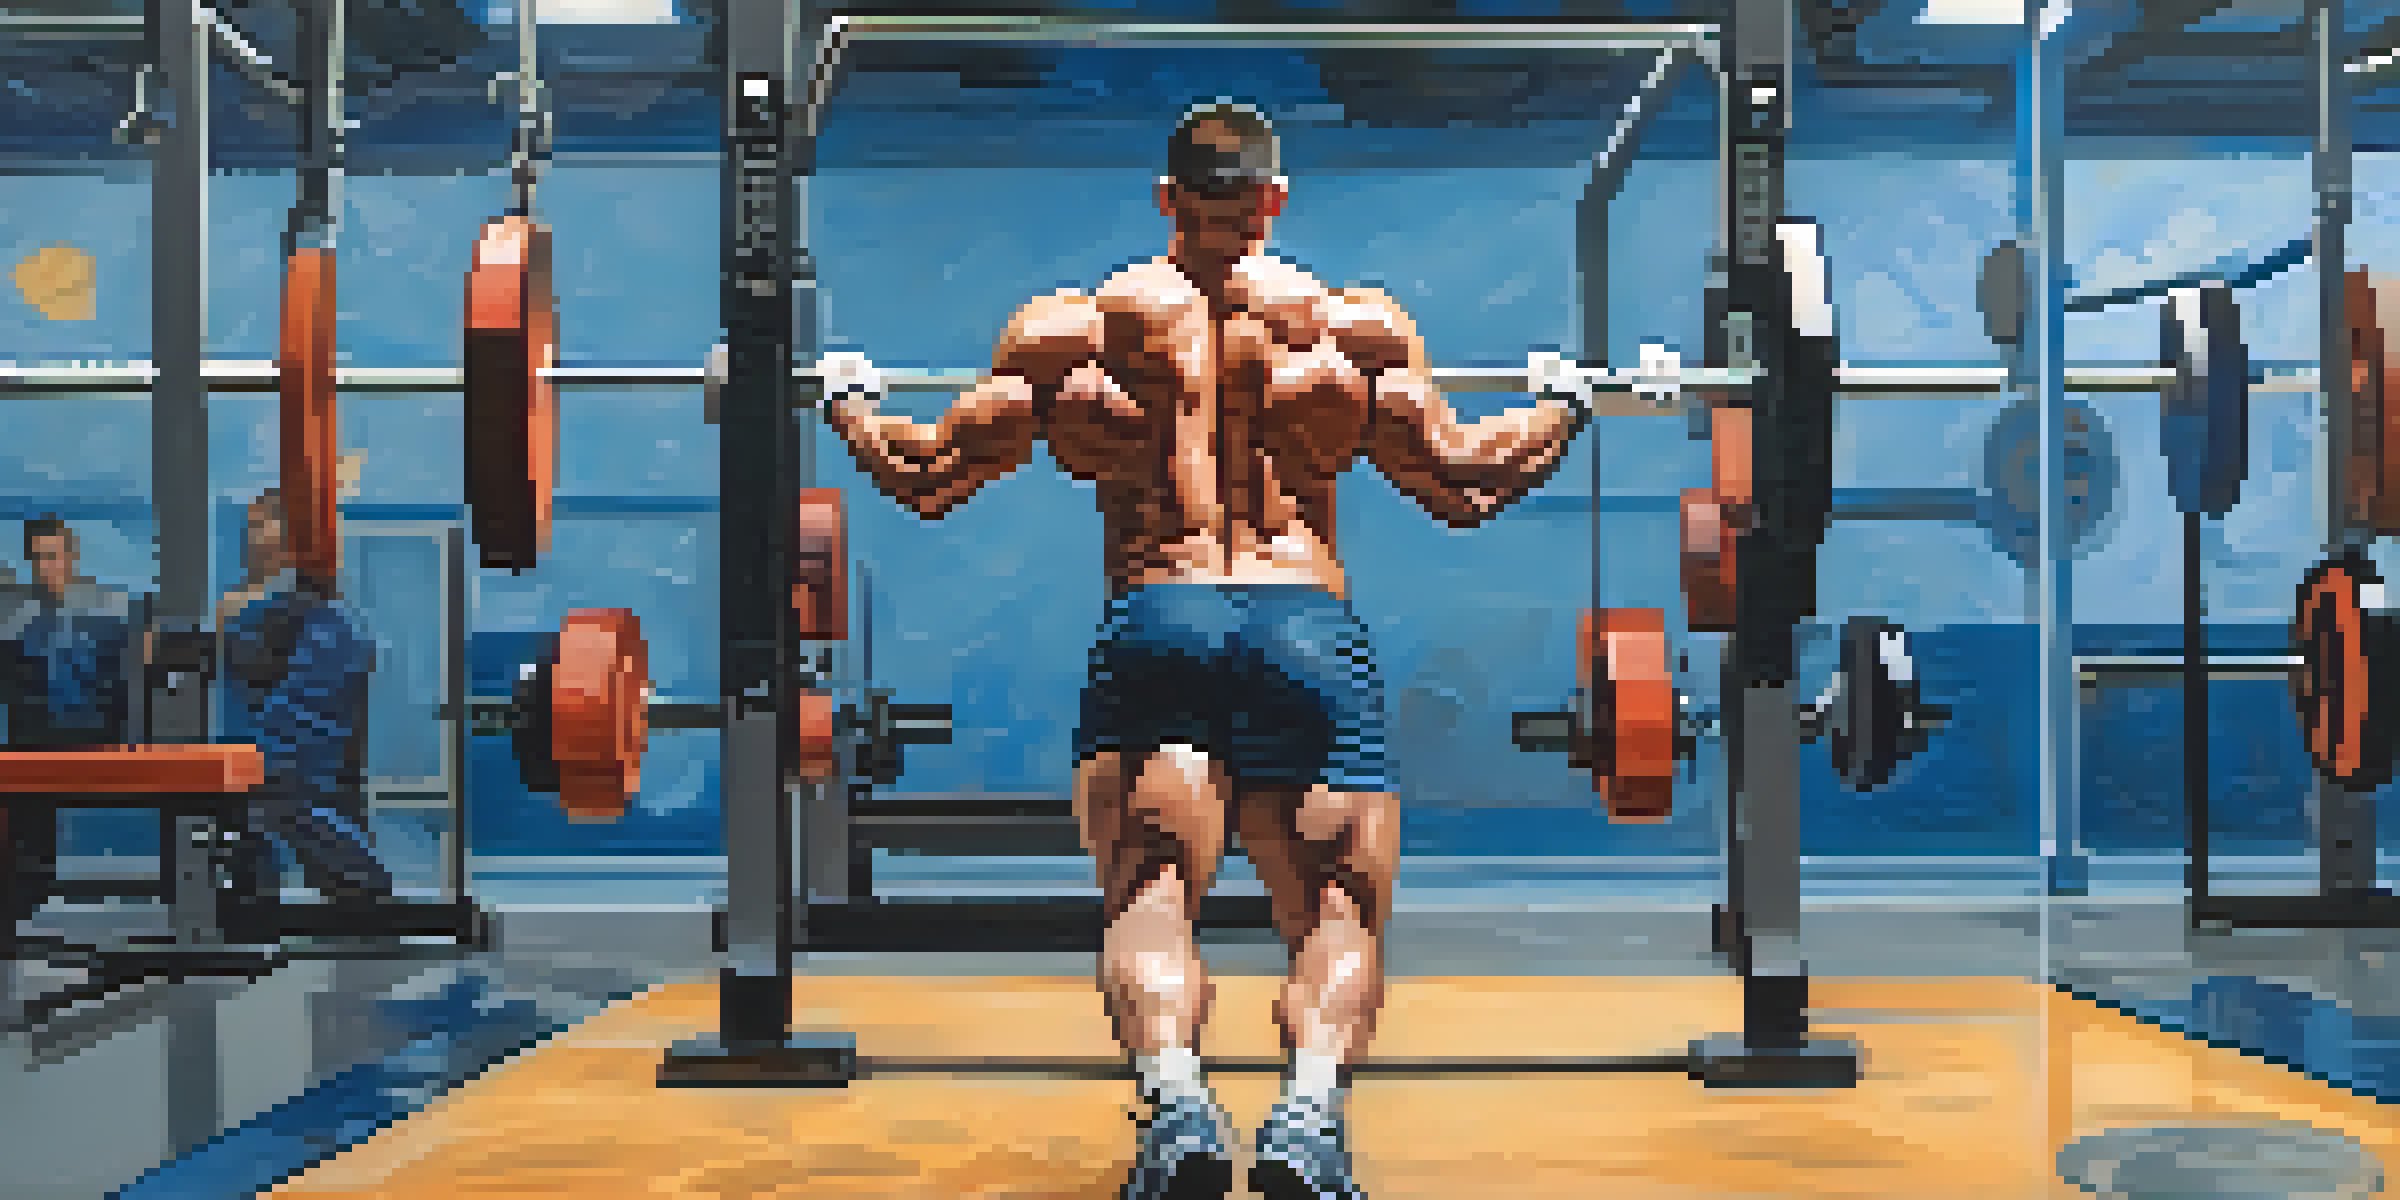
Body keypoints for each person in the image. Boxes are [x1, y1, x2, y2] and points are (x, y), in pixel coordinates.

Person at [823, 101, 1588, 1200]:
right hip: (1305, 627)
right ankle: (1308, 1121)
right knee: (1334, 906)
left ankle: (1179, 1105)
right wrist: (1564, 408)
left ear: (1166, 198)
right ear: (1276, 199)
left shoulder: (1074, 333)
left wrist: (850, 401)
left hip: (1159, 617)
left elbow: (926, 475)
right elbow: (1466, 483)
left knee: (1151, 890)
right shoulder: (1348, 329)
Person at [214, 487, 394, 927]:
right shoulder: (240, 605)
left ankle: (362, 895)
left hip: (288, 751)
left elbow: (314, 709)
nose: (253, 537)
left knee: (297, 805)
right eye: (250, 527)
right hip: (254, 744)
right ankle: (256, 901)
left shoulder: (320, 616)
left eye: (263, 525)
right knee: (263, 821)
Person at [0, 516, 138, 934]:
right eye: (39, 559)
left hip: (97, 735)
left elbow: (131, 679)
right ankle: (18, 906)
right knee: (23, 820)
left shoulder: (111, 608)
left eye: (54, 557)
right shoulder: (17, 615)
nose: (47, 567)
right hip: (36, 740)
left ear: (72, 556)